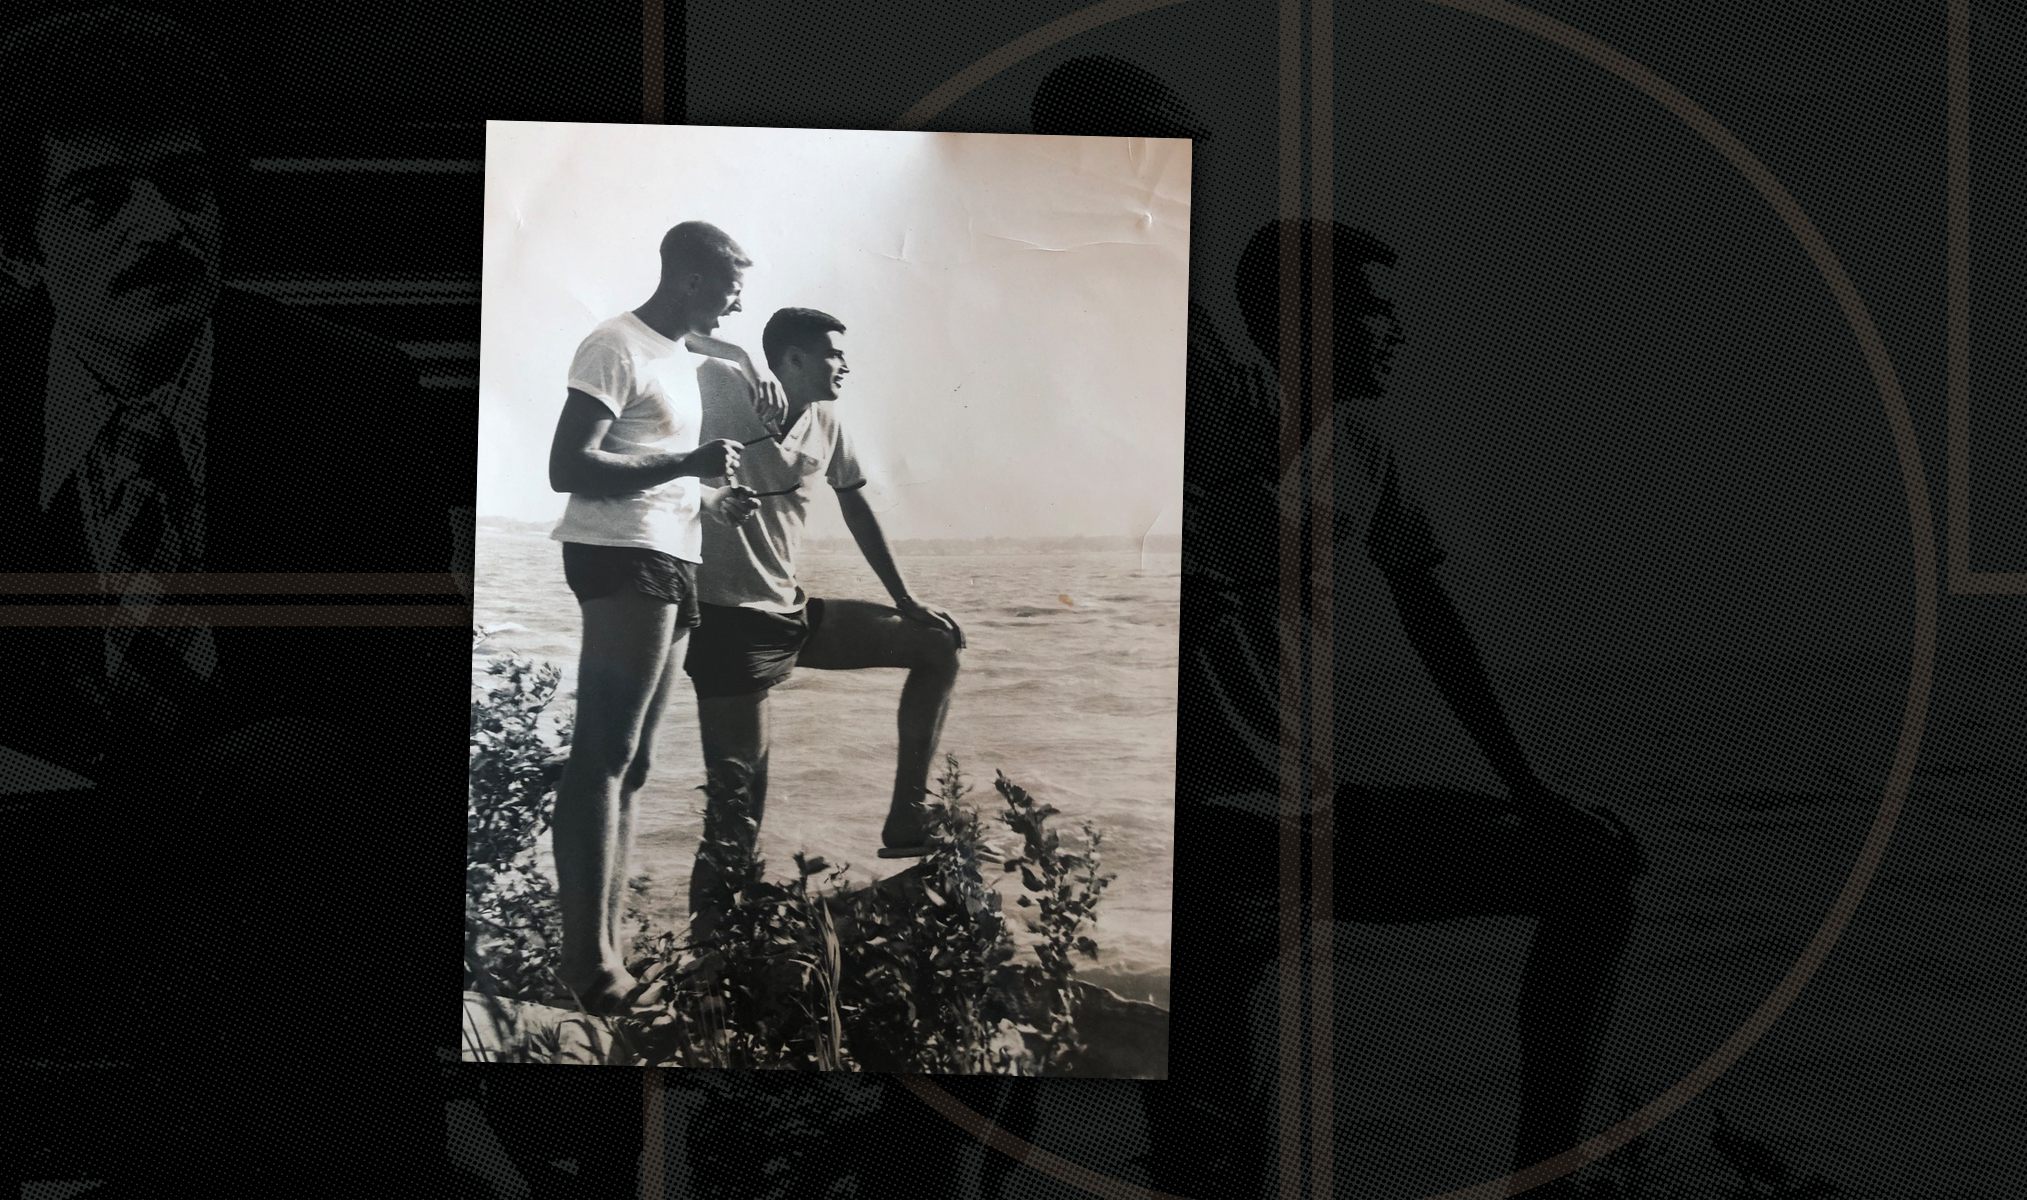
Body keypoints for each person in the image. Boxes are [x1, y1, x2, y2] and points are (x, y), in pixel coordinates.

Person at [0, 8, 448, 1195]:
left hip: (276, 910)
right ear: (18, 251)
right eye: (99, 199)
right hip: (31, 916)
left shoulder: (345, 396)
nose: (163, 227)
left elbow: (403, 736)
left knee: (297, 776)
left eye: (186, 187)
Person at [1026, 56, 1646, 1199]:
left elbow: (1430, 608)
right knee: (1218, 1162)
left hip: (1316, 820)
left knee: (1594, 864)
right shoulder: (1158, 395)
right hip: (1206, 843)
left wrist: (1527, 781)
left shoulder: (1358, 445)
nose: (1399, 330)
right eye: (1374, 309)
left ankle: (1545, 1174)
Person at [544, 219, 771, 1010]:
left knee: (632, 765)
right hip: (621, 559)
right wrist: (689, 462)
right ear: (693, 281)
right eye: (732, 294)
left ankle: (610, 953)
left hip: (670, 557)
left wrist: (711, 498)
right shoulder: (615, 344)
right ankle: (586, 967)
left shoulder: (675, 358)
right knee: (602, 757)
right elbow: (568, 466)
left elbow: (652, 470)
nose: (737, 310)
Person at [679, 306, 966, 929]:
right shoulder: (726, 387)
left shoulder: (829, 422)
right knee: (737, 806)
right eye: (833, 353)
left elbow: (859, 511)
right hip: (730, 624)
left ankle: (908, 818)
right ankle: (709, 948)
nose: (845, 363)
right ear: (793, 359)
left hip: (790, 611)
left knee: (936, 646)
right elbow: (672, 333)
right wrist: (741, 357)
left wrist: (906, 600)